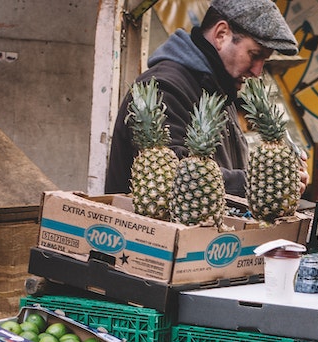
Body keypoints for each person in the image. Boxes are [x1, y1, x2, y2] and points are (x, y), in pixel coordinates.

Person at [104, 0, 305, 200]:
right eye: (254, 55)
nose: (257, 71)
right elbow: (175, 178)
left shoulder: (219, 88)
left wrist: (279, 176)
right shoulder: (163, 88)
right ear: (221, 35)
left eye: (264, 60)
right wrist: (263, 183)